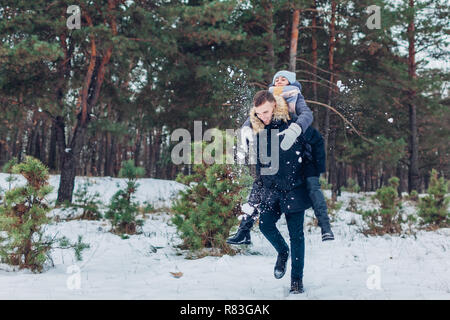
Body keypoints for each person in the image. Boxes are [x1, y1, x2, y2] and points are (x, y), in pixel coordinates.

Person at [227, 71, 334, 245]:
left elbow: (307, 115)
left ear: (292, 82)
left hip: (295, 150)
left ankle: (325, 227)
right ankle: (244, 230)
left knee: (311, 185)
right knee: (259, 187)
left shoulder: (295, 97)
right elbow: (253, 116)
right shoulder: (268, 99)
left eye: (283, 78)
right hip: (273, 150)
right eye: (276, 78)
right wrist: (245, 133)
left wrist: (296, 128)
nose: (279, 81)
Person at [241, 90, 312, 294]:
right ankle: (282, 251)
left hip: (294, 188)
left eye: (265, 111)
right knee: (265, 225)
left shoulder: (292, 122)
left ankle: (296, 280)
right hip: (271, 189)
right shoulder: (257, 128)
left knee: (296, 235)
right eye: (258, 113)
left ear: (274, 105)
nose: (262, 116)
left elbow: (307, 142)